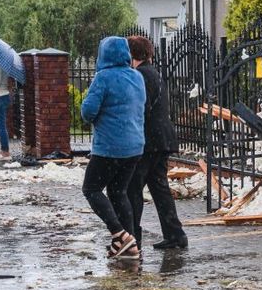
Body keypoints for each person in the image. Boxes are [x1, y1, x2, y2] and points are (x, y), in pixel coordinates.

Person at [80, 36, 146, 260]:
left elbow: (88, 112)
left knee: (91, 189)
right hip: (134, 146)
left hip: (109, 147)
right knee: (119, 192)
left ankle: (120, 234)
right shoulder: (137, 76)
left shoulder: (103, 78)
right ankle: (129, 245)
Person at [125, 35, 188, 250]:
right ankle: (175, 235)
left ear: (131, 54)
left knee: (133, 189)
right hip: (162, 138)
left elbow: (141, 108)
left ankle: (133, 237)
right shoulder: (154, 73)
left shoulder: (140, 75)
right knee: (159, 188)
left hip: (148, 141)